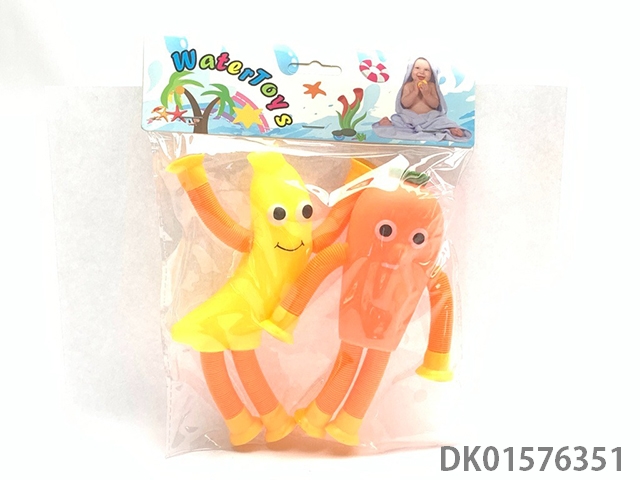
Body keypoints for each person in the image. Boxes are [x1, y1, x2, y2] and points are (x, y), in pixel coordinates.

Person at [374, 57, 469, 140]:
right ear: (411, 71)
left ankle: (451, 128)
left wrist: (427, 94)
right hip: (409, 118)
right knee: (398, 119)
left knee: (442, 121)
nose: (421, 72)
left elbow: (435, 105)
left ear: (432, 74)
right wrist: (415, 92)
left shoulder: (431, 86)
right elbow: (405, 104)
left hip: (430, 119)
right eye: (417, 68)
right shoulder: (408, 86)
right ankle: (389, 124)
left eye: (426, 70)